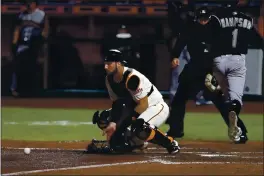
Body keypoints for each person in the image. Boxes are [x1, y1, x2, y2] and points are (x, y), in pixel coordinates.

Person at [166, 6, 249, 144]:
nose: (203, 21)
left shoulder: (216, 29)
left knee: (221, 103)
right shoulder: (192, 28)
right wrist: (175, 55)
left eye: (205, 19)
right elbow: (181, 42)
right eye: (201, 19)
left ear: (210, 18)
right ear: (196, 18)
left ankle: (240, 132)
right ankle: (176, 130)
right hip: (193, 71)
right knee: (178, 101)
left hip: (208, 73)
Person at [86, 49, 180, 154]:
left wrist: (121, 127)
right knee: (104, 118)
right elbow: (118, 103)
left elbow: (143, 105)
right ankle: (136, 142)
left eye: (109, 64)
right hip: (134, 107)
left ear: (118, 63)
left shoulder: (131, 77)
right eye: (105, 64)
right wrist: (113, 123)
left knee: (140, 127)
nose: (105, 67)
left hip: (154, 106)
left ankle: (170, 143)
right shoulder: (109, 79)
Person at [208, 1, 263, 143]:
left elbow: (207, 38)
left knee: (218, 95)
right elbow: (258, 41)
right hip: (238, 60)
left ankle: (239, 130)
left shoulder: (215, 16)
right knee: (235, 98)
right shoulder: (247, 18)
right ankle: (236, 117)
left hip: (218, 60)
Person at [11, 0, 49, 96]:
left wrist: (41, 44)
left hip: (34, 45)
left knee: (33, 67)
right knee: (17, 66)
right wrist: (14, 43)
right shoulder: (21, 15)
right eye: (26, 2)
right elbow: (17, 29)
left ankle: (32, 91)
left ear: (35, 3)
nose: (28, 4)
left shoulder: (41, 14)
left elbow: (46, 31)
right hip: (22, 45)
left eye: (30, 2)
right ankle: (15, 89)